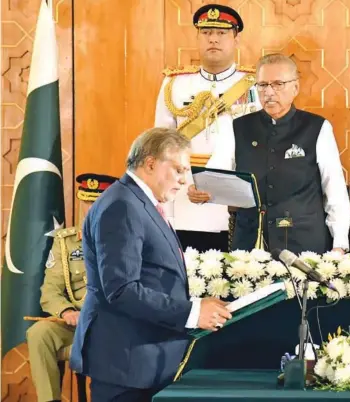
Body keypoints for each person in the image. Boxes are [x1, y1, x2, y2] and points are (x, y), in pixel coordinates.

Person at [70, 128, 233, 402]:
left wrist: (198, 304)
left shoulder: (139, 201)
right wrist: (191, 313)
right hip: (125, 365)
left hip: (142, 360)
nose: (184, 181)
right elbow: (122, 290)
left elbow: (152, 277)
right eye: (179, 170)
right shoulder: (122, 206)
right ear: (151, 163)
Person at [154, 4, 260, 252]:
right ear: (198, 37)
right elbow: (160, 148)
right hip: (185, 201)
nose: (213, 38)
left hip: (236, 202)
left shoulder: (254, 84)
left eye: (222, 33)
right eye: (206, 32)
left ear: (236, 38)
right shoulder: (175, 84)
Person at [229, 53, 350, 254]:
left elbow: (334, 187)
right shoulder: (238, 127)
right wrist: (202, 190)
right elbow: (218, 173)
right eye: (262, 85)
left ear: (295, 87)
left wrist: (339, 244)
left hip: (303, 243)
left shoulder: (316, 127)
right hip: (251, 244)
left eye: (278, 84)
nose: (269, 92)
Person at [27, 173, 116, 402]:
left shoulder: (124, 237)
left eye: (97, 203)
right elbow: (50, 290)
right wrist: (67, 312)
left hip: (110, 323)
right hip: (74, 322)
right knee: (39, 333)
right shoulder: (65, 242)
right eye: (86, 202)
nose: (90, 208)